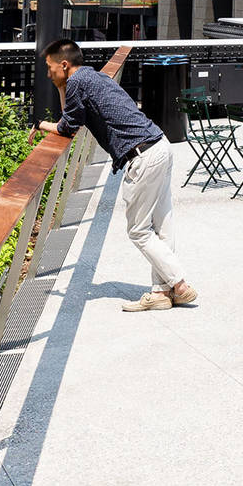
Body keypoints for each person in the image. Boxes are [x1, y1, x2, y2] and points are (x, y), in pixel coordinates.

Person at [36, 39, 197, 312]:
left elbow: (66, 126)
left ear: (64, 65)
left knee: (139, 231)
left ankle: (179, 284)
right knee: (161, 225)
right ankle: (161, 292)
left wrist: (39, 124)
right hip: (159, 144)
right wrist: (60, 85)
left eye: (50, 68)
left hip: (141, 156)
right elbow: (72, 117)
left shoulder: (76, 84)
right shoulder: (94, 77)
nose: (48, 73)